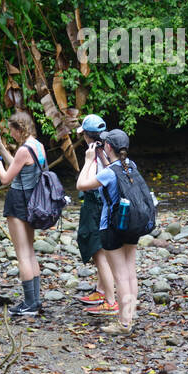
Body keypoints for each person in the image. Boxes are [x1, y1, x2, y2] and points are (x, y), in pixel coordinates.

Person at [76, 129, 140, 335]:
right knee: (130, 273)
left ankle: (123, 323)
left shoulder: (108, 172)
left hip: (111, 227)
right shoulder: (131, 166)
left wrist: (88, 160)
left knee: (120, 276)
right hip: (132, 224)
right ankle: (129, 317)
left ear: (108, 147)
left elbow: (81, 184)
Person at [0, 111, 47, 317]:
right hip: (31, 201)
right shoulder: (38, 146)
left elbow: (5, 177)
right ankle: (35, 301)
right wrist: (1, 146)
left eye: (11, 131)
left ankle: (29, 304)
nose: (11, 135)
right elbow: (18, 167)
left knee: (22, 254)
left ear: (19, 129)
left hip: (18, 201)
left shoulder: (23, 150)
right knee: (30, 251)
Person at [74, 114, 120, 314]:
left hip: (95, 206)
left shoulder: (93, 155)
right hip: (108, 206)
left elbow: (83, 183)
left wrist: (89, 161)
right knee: (103, 251)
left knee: (98, 252)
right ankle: (101, 291)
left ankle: (110, 301)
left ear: (86, 136)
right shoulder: (109, 150)